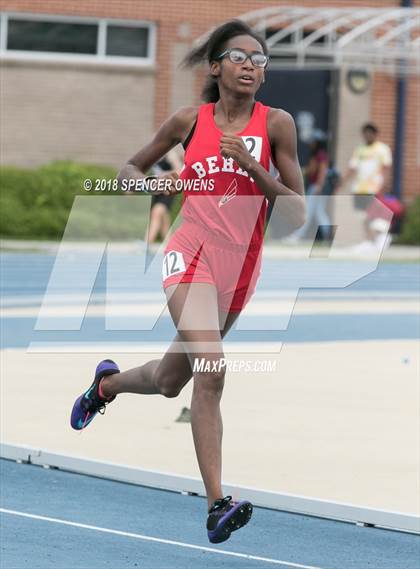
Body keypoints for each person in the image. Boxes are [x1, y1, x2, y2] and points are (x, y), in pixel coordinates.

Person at [70, 20, 304, 544]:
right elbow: (128, 170)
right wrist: (158, 182)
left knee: (170, 379)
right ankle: (218, 503)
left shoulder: (277, 126)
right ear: (216, 67)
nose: (251, 65)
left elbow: (295, 216)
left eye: (260, 60)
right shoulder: (187, 122)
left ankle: (104, 385)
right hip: (189, 257)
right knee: (212, 370)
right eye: (240, 57)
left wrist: (253, 167)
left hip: (239, 272)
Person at [338, 122, 393, 250]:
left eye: (370, 133)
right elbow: (352, 168)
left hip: (375, 187)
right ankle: (371, 240)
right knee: (364, 216)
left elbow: (386, 168)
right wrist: (343, 182)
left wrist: (384, 185)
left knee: (373, 215)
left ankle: (378, 238)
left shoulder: (382, 149)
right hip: (359, 188)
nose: (367, 136)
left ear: (375, 134)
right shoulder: (360, 150)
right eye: (365, 134)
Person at [285, 130, 331, 242]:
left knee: (308, 212)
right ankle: (328, 236)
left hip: (317, 187)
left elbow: (322, 171)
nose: (311, 144)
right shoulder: (316, 155)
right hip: (316, 187)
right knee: (319, 213)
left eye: (313, 141)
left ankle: (297, 236)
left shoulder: (321, 155)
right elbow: (311, 170)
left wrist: (318, 186)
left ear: (318, 143)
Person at [146, 155, 177, 243]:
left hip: (168, 190)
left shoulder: (170, 156)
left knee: (157, 212)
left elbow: (179, 170)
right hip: (157, 192)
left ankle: (148, 242)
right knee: (164, 217)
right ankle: (169, 242)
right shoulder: (153, 154)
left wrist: (165, 174)